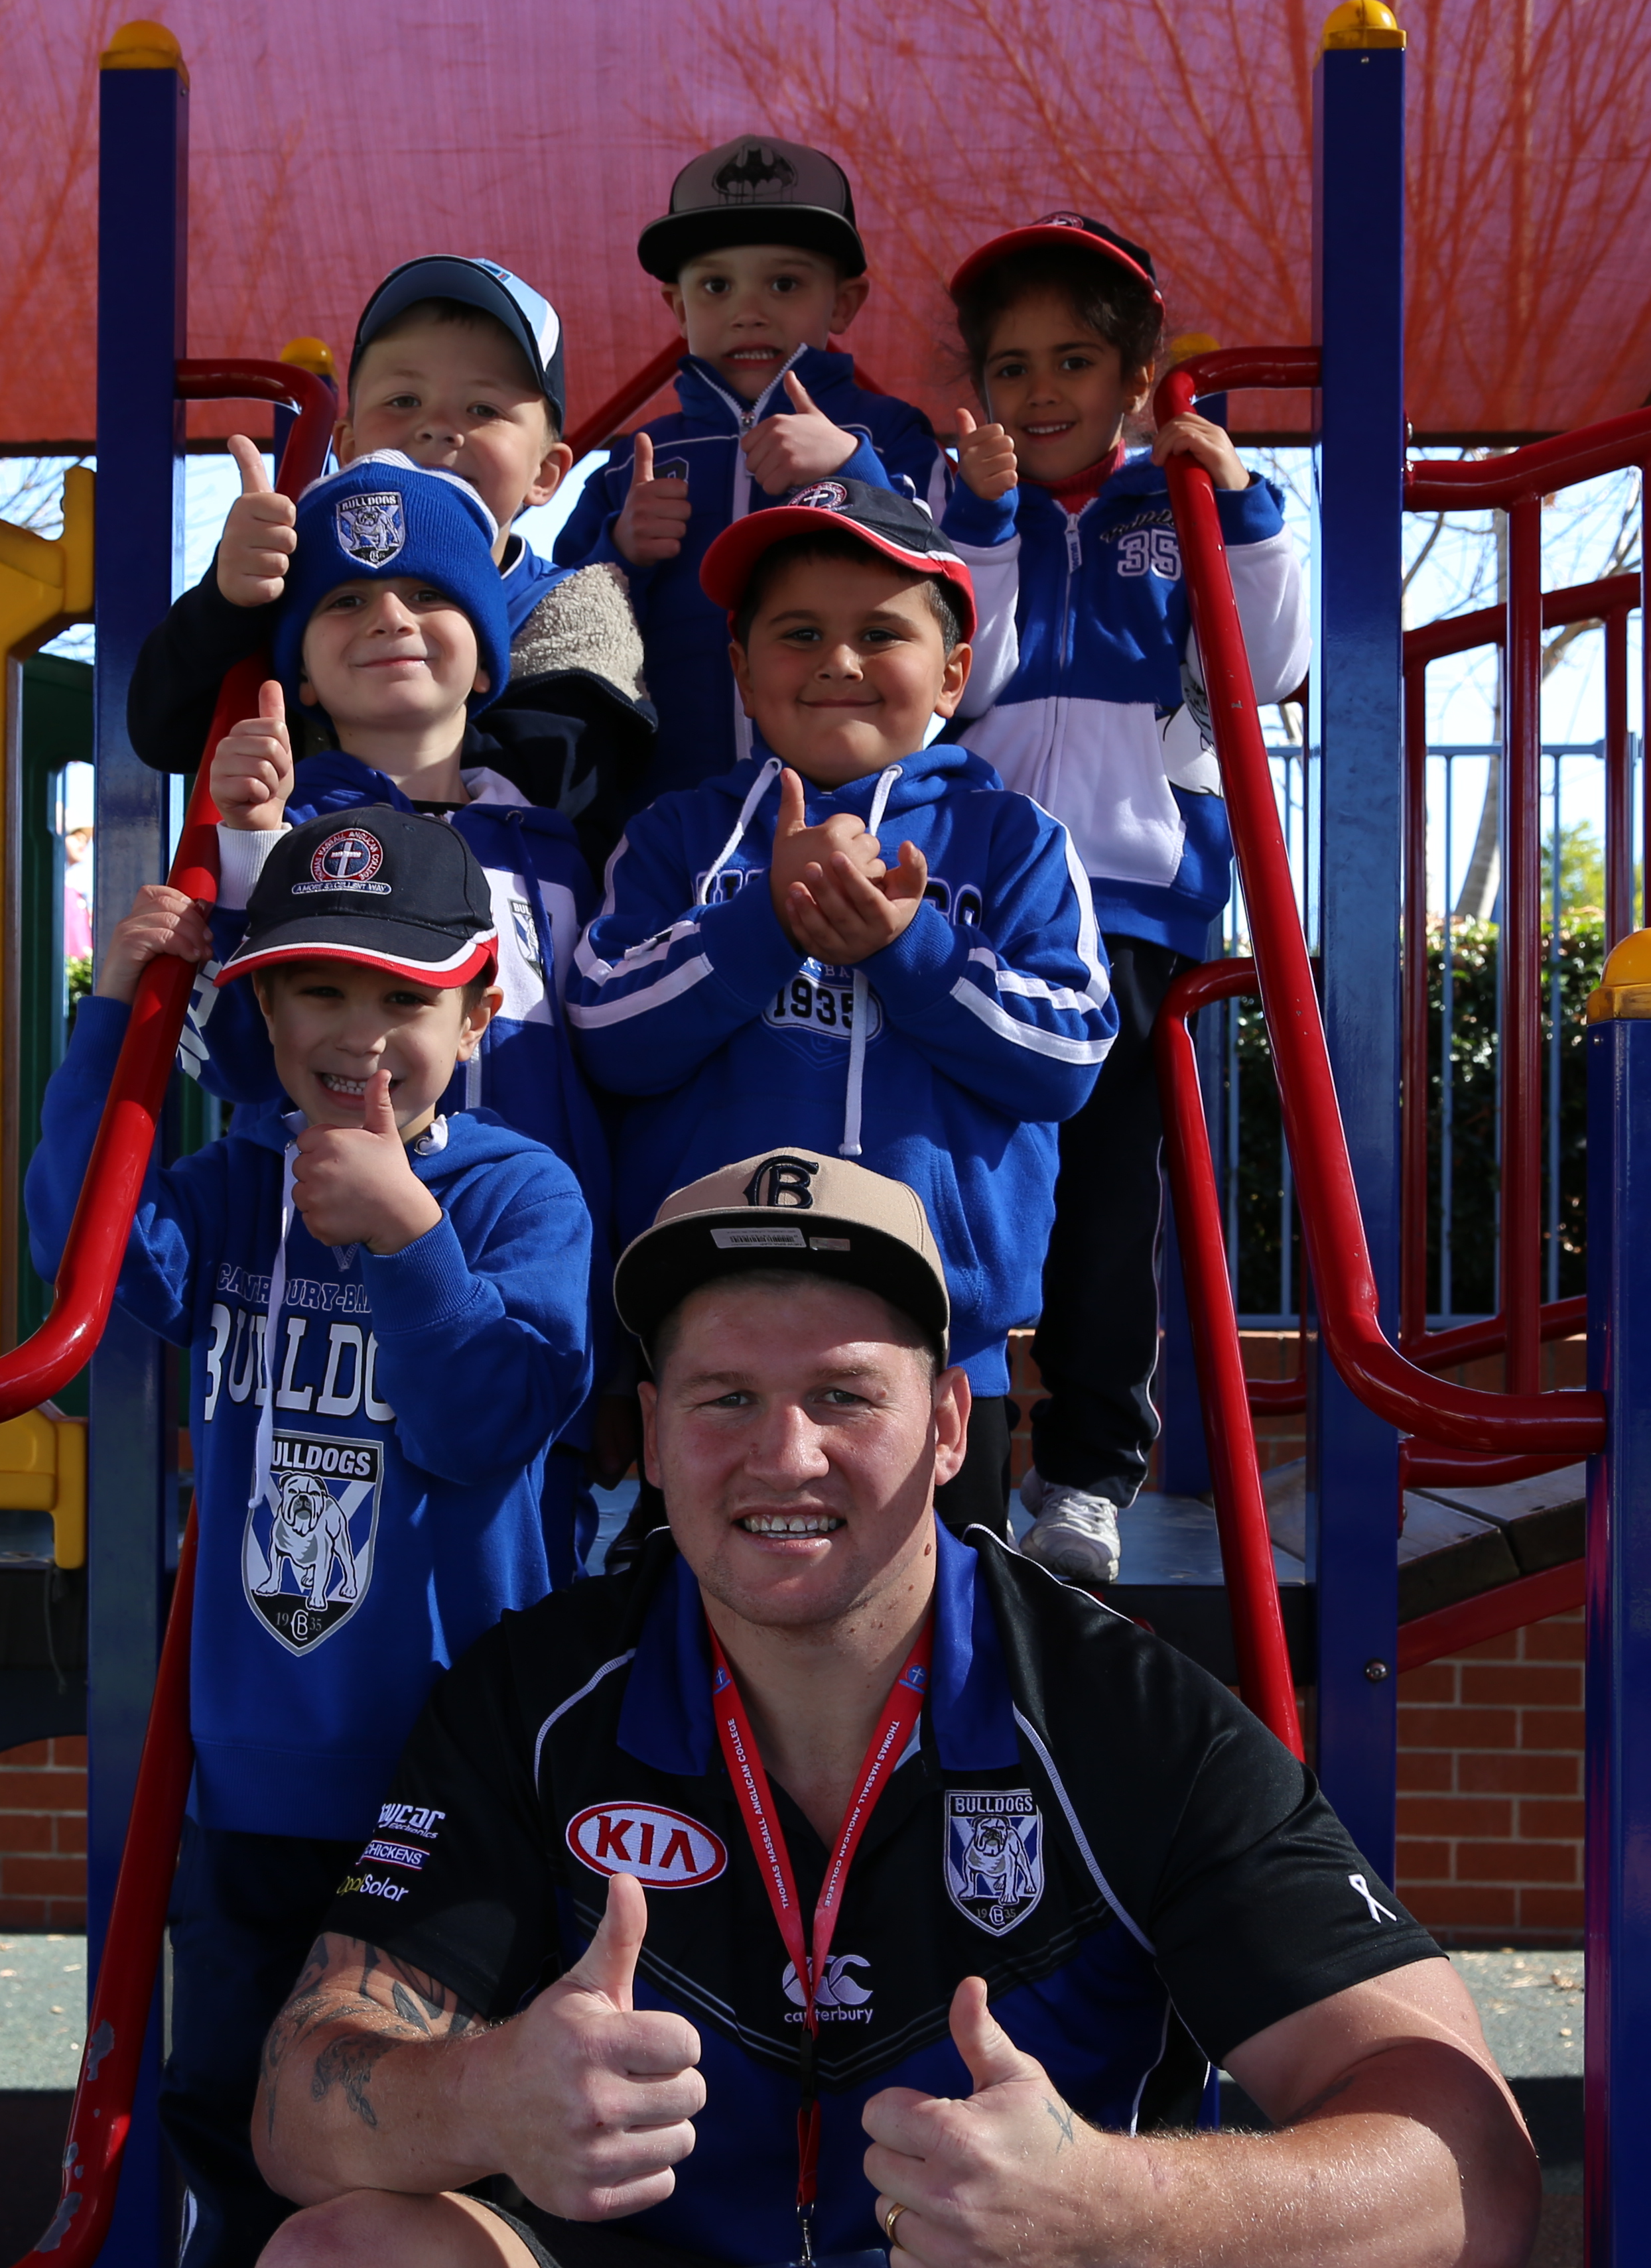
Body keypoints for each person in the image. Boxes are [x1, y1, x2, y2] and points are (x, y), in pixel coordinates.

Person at [233, 1149, 1537, 2268]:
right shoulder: (536, 1694)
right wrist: (493, 2097)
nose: (784, 1455)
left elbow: (1467, 2166)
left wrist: (1111, 2209)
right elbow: (302, 2106)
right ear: (652, 1431)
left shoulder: (1126, 1716)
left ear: (952, 1424)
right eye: (724, 1398)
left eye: (846, 1396)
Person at [31, 806, 594, 2268]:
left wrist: (407, 1238)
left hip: (448, 1796)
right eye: (314, 1000)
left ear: (476, 1014)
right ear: (261, 1022)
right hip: (256, 1788)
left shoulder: (512, 1196)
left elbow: (489, 1415)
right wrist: (103, 1022)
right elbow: (85, 1264)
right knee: (236, 2151)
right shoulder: (220, 1195)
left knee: (438, 2164)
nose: (358, 1039)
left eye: (401, 1001)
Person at [564, 484, 1112, 1542]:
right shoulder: (679, 836)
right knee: (695, 1648)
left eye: (880, 633)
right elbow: (606, 1030)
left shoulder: (1016, 839)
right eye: (800, 633)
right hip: (710, 1337)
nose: (840, 661)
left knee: (945, 1660)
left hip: (941, 1343)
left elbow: (1069, 1053)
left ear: (954, 672)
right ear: (740, 668)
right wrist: (763, 923)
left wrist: (910, 950)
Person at [936, 214, 1313, 1585]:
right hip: (987, 899)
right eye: (1015, 364)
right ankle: (960, 1454)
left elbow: (1264, 664)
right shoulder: (965, 498)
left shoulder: (1188, 498)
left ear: (1138, 372)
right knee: (971, 1187)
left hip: (1141, 901)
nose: (1044, 393)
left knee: (1108, 1200)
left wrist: (1243, 502)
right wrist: (977, 522)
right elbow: (965, 676)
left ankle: (1088, 1472)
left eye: (1077, 361)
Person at [190, 449, 618, 1578]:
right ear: (307, 675)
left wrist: (612, 1346)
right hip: (318, 1334)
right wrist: (244, 852)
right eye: (343, 600)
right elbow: (233, 1055)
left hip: (511, 1297)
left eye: (430, 594)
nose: (390, 616)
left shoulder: (557, 849)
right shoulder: (280, 835)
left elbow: (599, 1084)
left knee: (522, 1595)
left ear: (486, 656)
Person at [130, 255, 656, 839]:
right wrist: (228, 603)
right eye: (403, 400)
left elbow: (565, 777)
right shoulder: (294, 575)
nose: (437, 428)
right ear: (349, 447)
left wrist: (364, 709)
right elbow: (163, 733)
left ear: (547, 473)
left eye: (483, 409)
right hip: (291, 901)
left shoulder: (575, 603)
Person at [553, 135, 987, 798]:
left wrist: (853, 470)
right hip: (668, 813)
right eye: (716, 286)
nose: (748, 311)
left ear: (843, 303)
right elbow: (563, 632)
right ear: (678, 307)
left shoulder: (891, 434)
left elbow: (949, 584)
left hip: (860, 808)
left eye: (785, 283)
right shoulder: (630, 463)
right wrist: (621, 553)